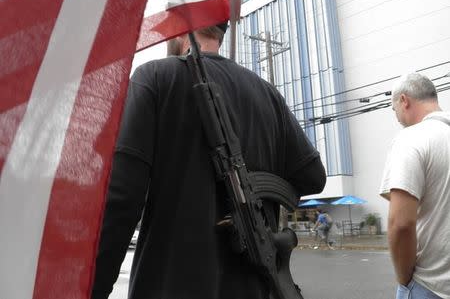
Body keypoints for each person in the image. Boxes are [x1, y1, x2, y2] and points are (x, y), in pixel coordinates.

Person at [91, 23, 326, 299]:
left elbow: (119, 200)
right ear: (220, 33)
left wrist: (92, 290)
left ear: (178, 29)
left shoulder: (154, 77)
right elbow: (312, 176)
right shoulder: (267, 94)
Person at [380, 72, 450, 299]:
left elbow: (401, 224)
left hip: (431, 285)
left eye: (394, 110)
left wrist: (405, 280)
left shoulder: (411, 138)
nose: (397, 117)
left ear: (404, 101)